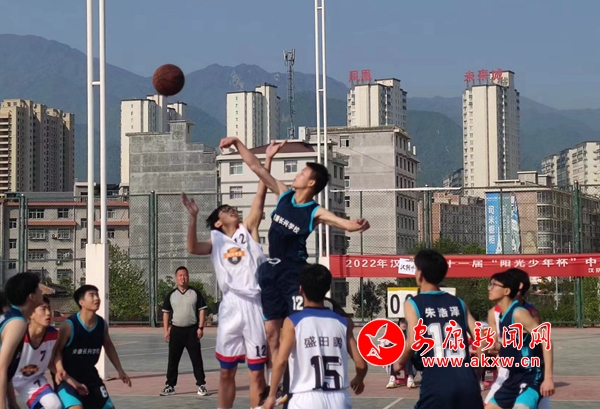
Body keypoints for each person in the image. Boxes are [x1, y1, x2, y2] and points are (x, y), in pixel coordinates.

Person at [218, 136, 370, 402]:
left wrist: (357, 225)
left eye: (302, 173)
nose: (297, 174)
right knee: (271, 333)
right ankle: (278, 387)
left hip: (294, 274)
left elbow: (343, 223)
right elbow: (256, 167)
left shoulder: (314, 211)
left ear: (311, 183)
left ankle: (297, 382)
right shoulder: (284, 194)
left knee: (296, 328)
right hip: (271, 272)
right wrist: (237, 143)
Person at [183, 140, 285, 409]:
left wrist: (268, 161)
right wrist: (193, 217)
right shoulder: (216, 241)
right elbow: (192, 248)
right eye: (225, 210)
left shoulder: (247, 229)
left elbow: (260, 195)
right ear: (218, 222)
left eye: (232, 208)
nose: (231, 210)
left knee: (256, 373)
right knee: (226, 372)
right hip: (230, 306)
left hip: (254, 304)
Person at [263, 264, 367, 409]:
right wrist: (359, 379)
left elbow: (281, 361)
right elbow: (361, 365)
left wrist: (271, 395)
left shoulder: (293, 322)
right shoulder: (343, 323)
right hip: (339, 398)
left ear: (301, 290)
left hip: (306, 398)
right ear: (327, 290)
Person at [397, 249, 484, 409]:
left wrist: (399, 363)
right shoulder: (459, 303)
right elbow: (482, 340)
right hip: (467, 381)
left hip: (437, 381)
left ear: (420, 274)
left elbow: (413, 342)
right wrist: (477, 372)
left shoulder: (413, 304)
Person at [53, 284, 131, 409]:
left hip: (90, 376)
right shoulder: (70, 326)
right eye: (92, 295)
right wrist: (60, 369)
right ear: (81, 302)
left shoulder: (101, 324)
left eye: (97, 295)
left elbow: (108, 345)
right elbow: (57, 351)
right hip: (69, 377)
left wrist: (120, 370)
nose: (97, 299)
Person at [484, 270, 554, 409]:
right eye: (489, 284)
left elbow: (545, 340)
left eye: (494, 285)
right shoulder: (502, 315)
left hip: (530, 376)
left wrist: (548, 378)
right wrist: (498, 347)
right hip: (513, 376)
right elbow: (518, 344)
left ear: (506, 291)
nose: (489, 288)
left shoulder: (519, 313)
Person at [159, 266, 209, 397]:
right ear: (176, 278)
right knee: (173, 360)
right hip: (176, 331)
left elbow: (202, 310)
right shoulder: (171, 295)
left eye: (185, 275)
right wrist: (166, 330)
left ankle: (201, 385)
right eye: (180, 275)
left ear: (188, 277)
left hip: (192, 331)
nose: (183, 278)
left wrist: (200, 328)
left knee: (196, 359)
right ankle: (170, 385)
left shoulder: (195, 293)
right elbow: (166, 313)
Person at [0, 272, 44, 409]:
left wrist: (12, 402)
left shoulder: (12, 317)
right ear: (31, 297)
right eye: (38, 288)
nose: (42, 291)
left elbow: (7, 369)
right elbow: (1, 367)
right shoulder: (17, 323)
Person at [12, 296, 62, 409]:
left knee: (54, 405)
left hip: (32, 379)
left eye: (49, 308)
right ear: (31, 314)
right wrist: (12, 401)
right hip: (8, 378)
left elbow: (55, 355)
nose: (48, 313)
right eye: (43, 309)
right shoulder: (17, 334)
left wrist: (59, 369)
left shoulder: (53, 335)